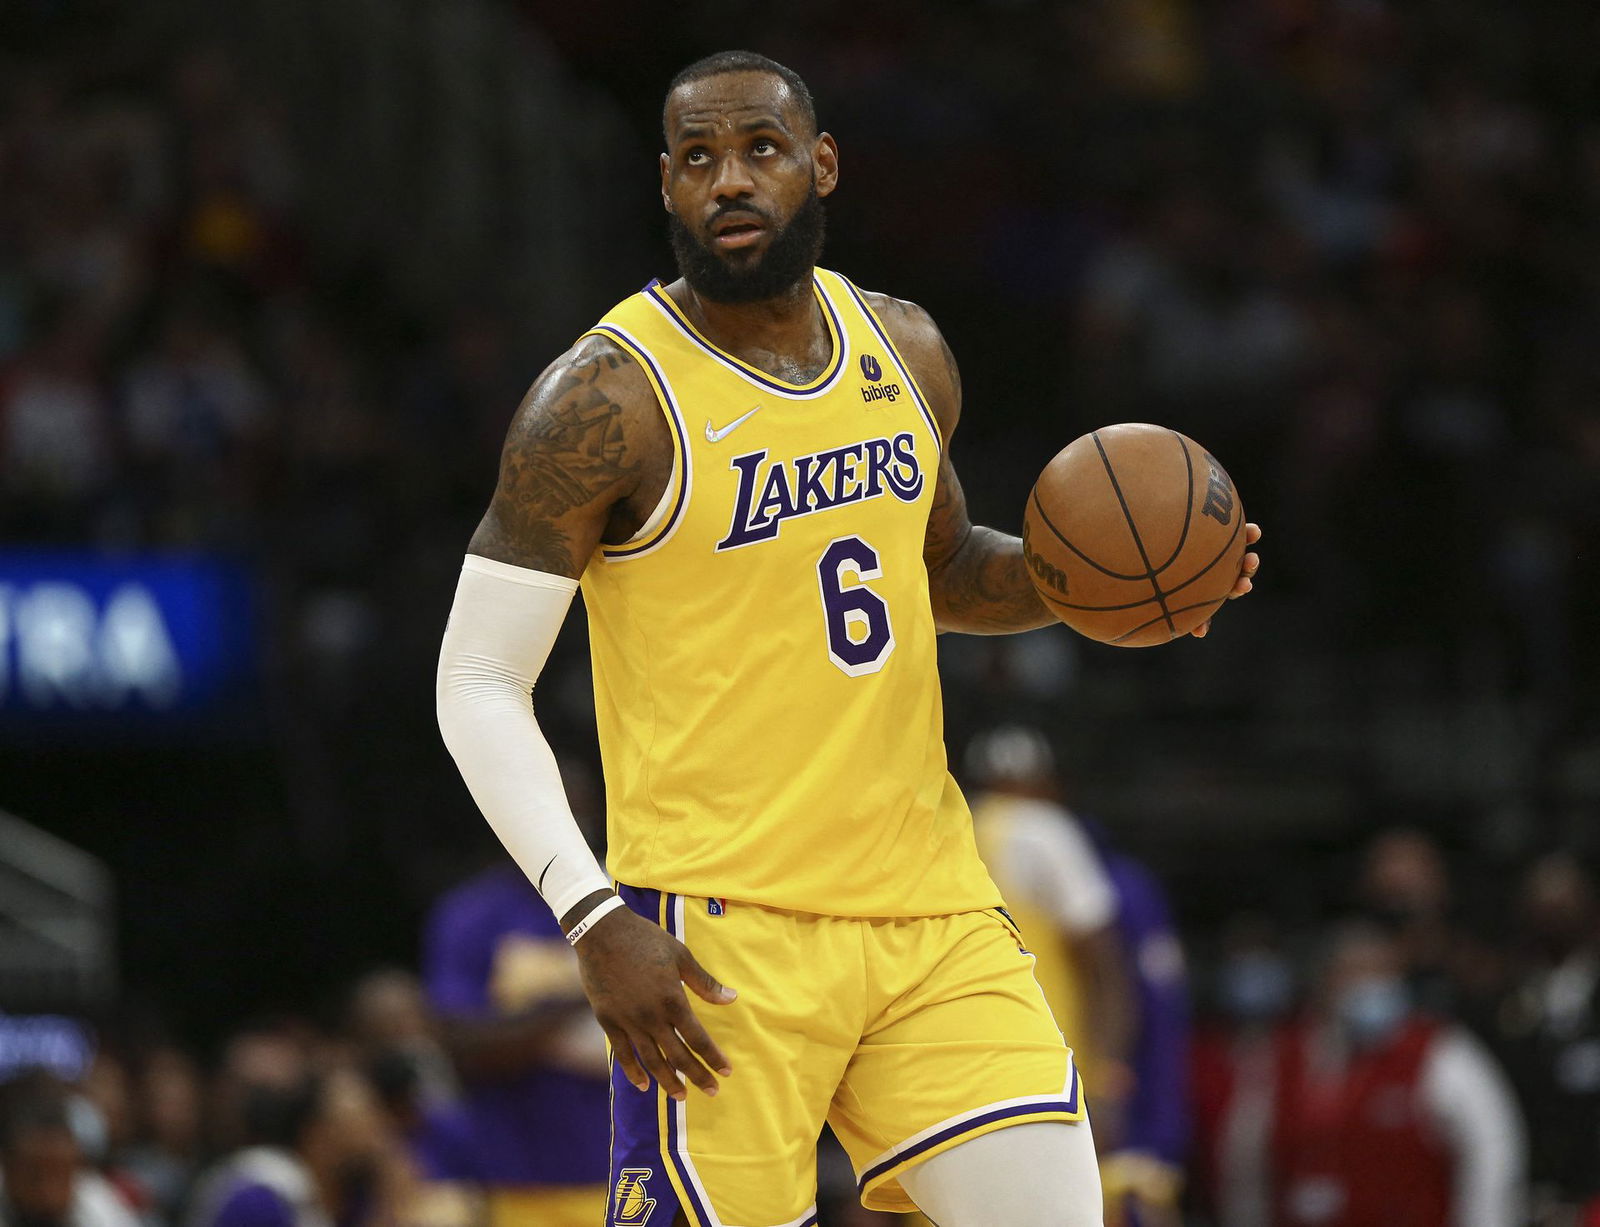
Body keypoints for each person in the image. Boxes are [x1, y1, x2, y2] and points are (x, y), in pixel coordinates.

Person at [435, 49, 1260, 1227]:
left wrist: (1119, 589)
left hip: (930, 911)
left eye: (760, 150)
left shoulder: (905, 349)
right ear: (664, 186)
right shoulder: (603, 402)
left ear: (820, 165)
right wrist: (592, 913)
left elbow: (944, 570)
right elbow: (474, 681)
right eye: (698, 158)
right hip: (719, 933)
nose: (729, 180)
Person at [1244, 921, 1526, 1227]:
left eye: (1382, 974)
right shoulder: (1283, 1059)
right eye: (1356, 973)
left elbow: (1492, 1154)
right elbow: (1244, 1163)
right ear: (1326, 983)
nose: (1370, 985)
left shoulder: (1440, 1053)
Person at [421, 863, 611, 1227]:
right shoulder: (473, 914)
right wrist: (588, 991)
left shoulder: (633, 898)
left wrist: (528, 1026)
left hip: (639, 1177)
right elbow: (464, 1048)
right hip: (522, 1186)